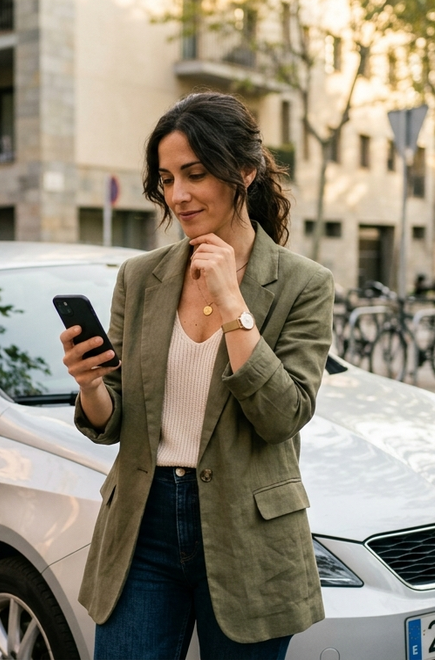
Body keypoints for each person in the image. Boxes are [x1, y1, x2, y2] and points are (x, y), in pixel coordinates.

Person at [60, 92, 334, 660]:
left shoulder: (304, 284)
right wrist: (90, 385)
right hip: (144, 525)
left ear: (245, 172)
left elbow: (283, 416)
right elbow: (113, 421)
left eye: (196, 174)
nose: (178, 195)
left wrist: (233, 305)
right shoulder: (140, 278)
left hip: (248, 533)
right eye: (166, 179)